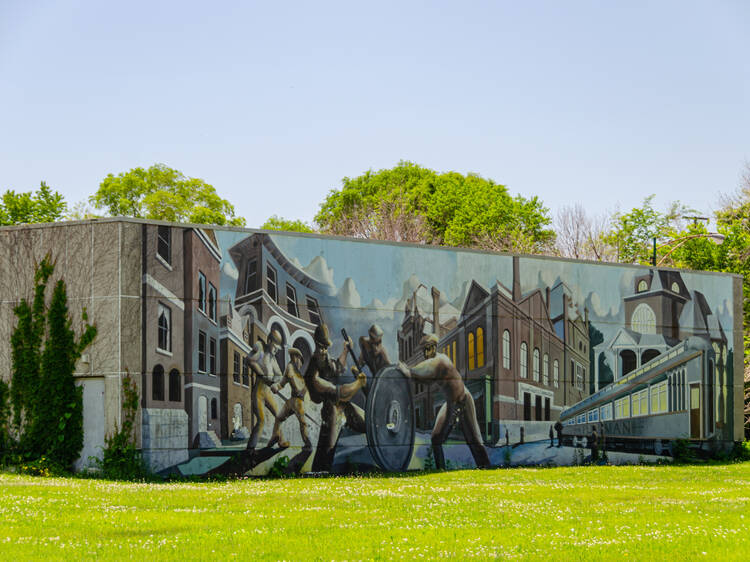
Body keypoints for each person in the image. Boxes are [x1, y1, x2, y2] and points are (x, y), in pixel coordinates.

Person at [398, 333, 490, 470]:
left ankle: (486, 468)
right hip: (451, 403)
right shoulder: (435, 362)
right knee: (436, 439)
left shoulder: (440, 361)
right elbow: (423, 377)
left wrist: (407, 370)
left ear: (433, 348)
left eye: (427, 349)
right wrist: (408, 371)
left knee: (475, 441)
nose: (425, 353)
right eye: (424, 349)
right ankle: (441, 470)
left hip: (464, 400)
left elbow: (423, 370)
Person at [304, 323, 367, 472]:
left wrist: (345, 351)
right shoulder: (314, 374)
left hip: (339, 404)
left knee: (365, 424)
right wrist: (358, 384)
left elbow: (337, 367)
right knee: (327, 450)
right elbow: (338, 391)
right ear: (316, 345)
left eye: (326, 347)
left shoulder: (324, 359)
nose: (324, 351)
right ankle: (321, 472)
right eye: (321, 347)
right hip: (329, 409)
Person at [246, 329, 286, 450]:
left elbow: (279, 373)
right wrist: (264, 376)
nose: (277, 350)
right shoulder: (261, 350)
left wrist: (276, 383)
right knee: (261, 421)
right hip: (258, 393)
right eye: (275, 346)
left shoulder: (273, 360)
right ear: (269, 341)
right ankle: (250, 449)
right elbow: (249, 360)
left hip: (267, 392)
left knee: (279, 415)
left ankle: (280, 440)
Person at [270, 348, 311, 450]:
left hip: (298, 401)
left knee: (302, 423)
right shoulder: (290, 367)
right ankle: (277, 438)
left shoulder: (299, 374)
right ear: (296, 358)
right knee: (279, 418)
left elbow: (304, 388)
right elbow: (282, 383)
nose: (300, 364)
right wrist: (276, 387)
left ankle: (308, 443)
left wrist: (303, 391)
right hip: (293, 400)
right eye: (299, 360)